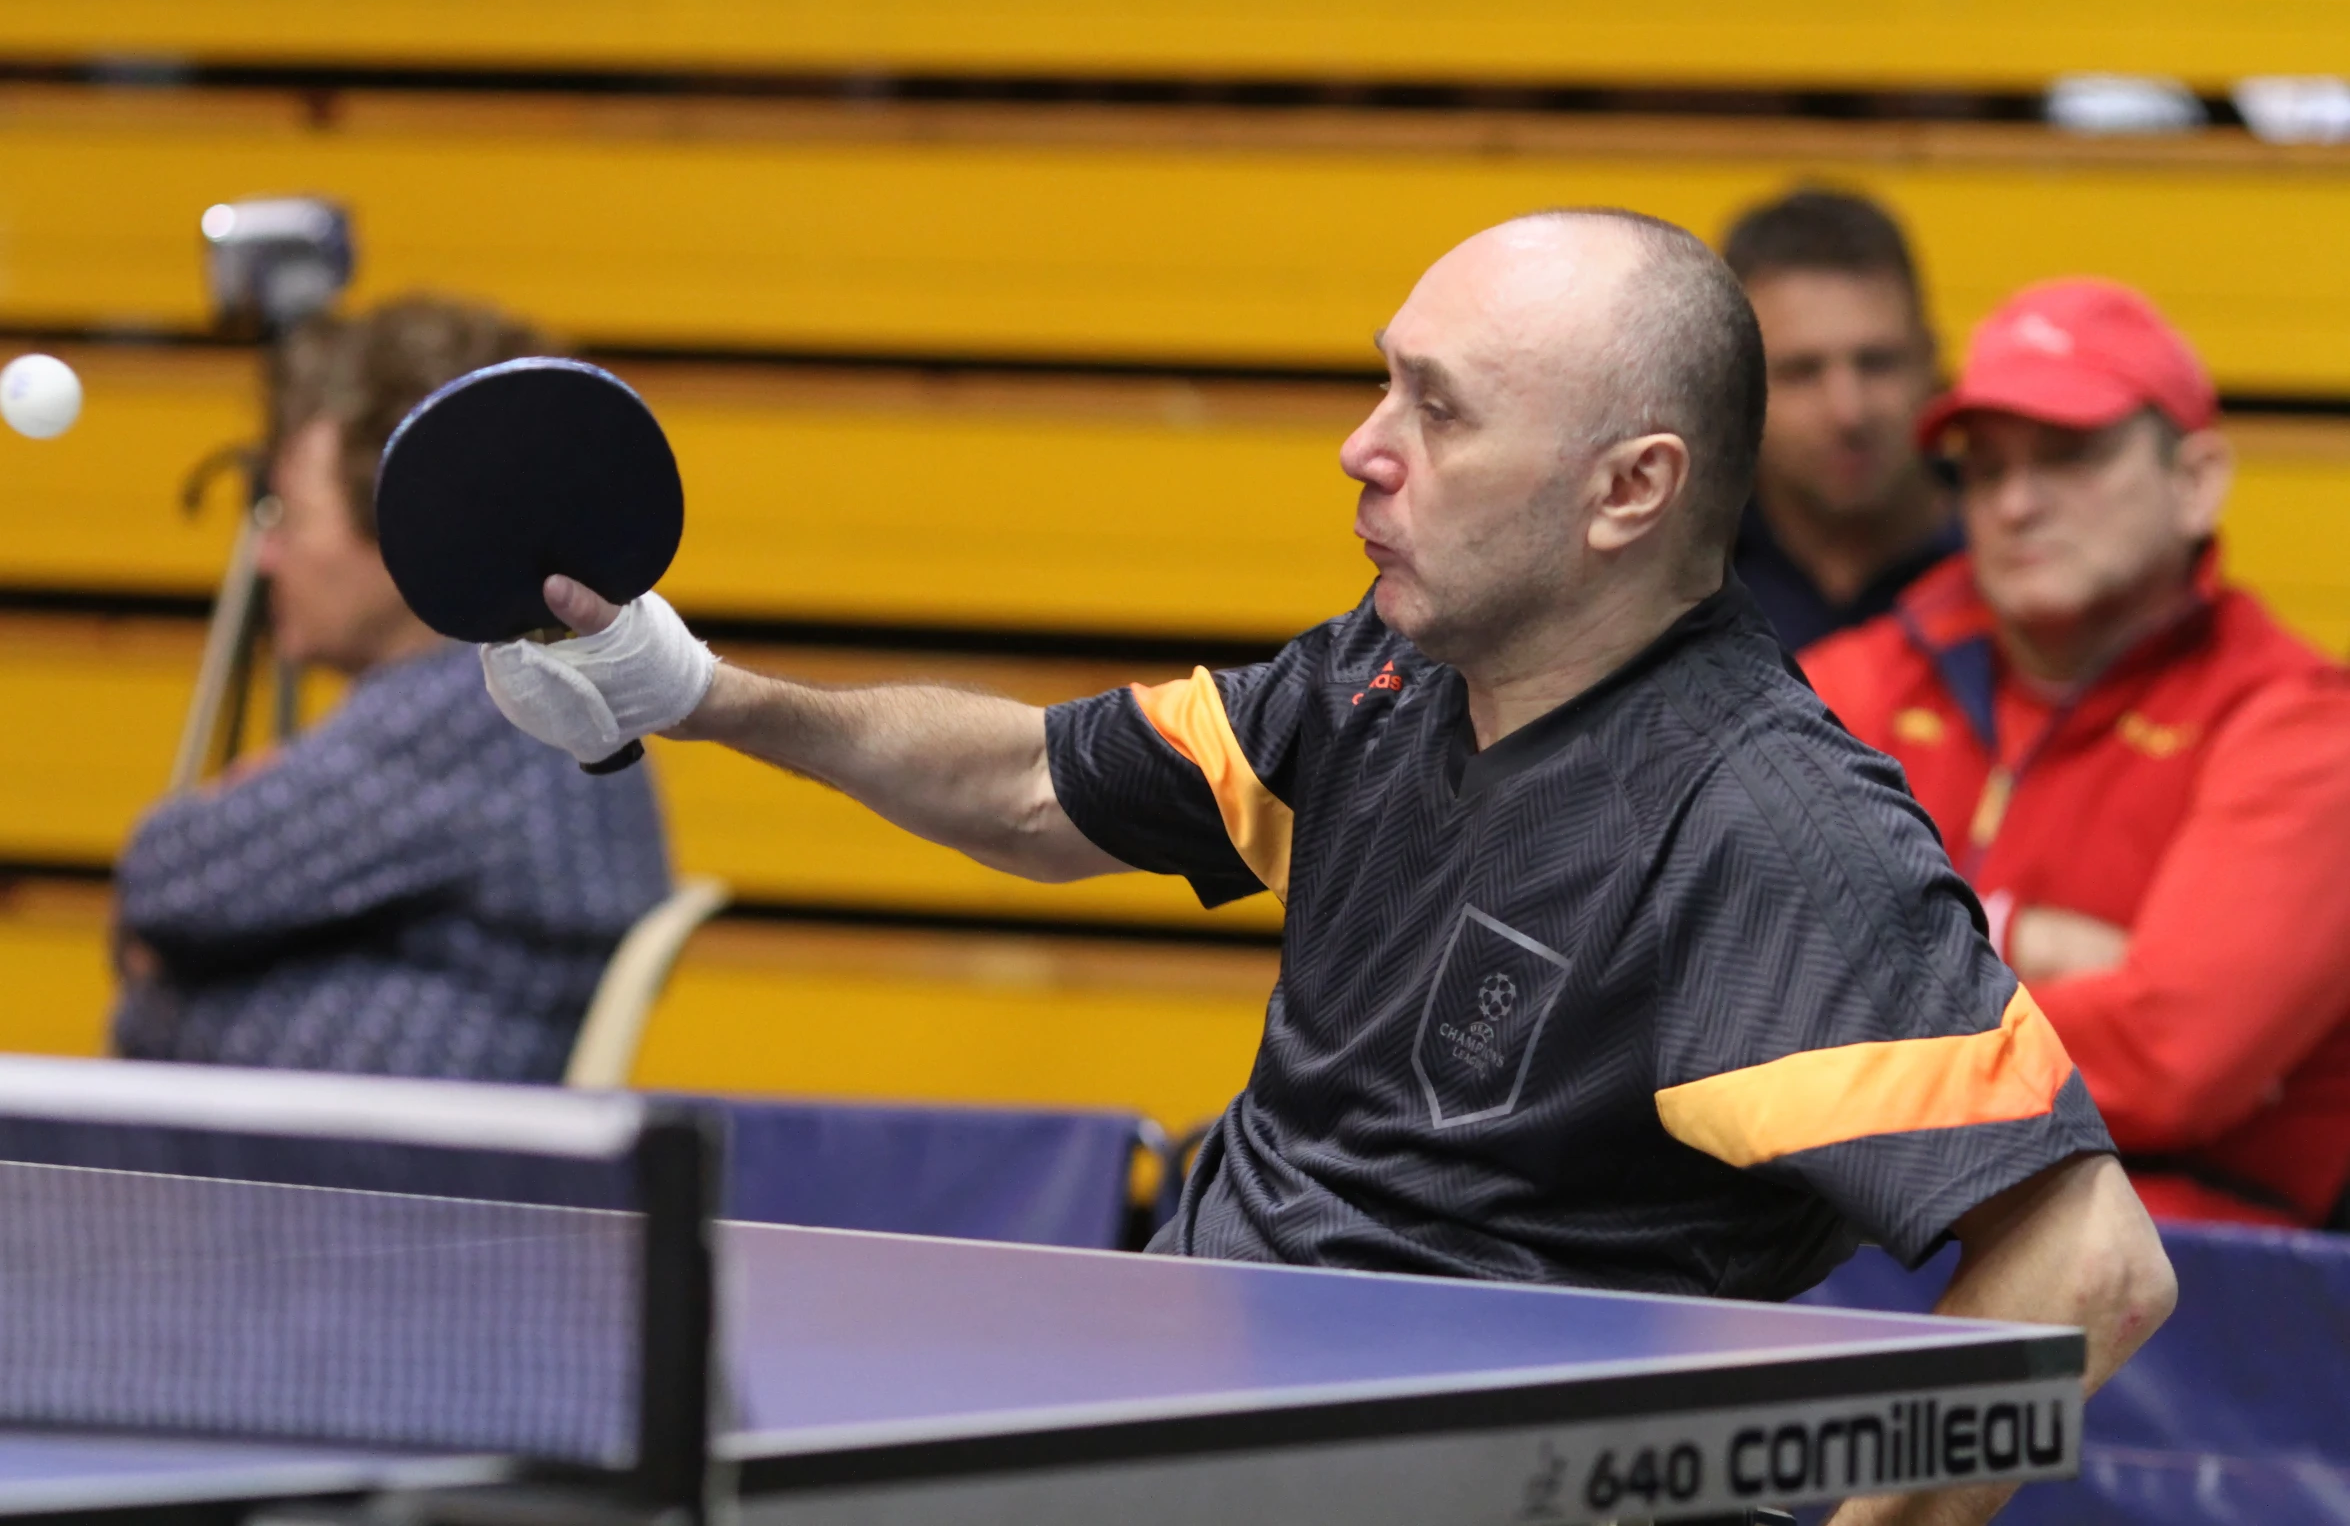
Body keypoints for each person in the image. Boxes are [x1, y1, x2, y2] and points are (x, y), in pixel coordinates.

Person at [480, 211, 2172, 1525]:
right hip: (1180, 1421)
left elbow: (2090, 1266)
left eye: (1435, 409)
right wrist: (700, 696)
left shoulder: (1759, 825)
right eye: (1387, 380)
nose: (1364, 444)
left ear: (1630, 489)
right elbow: (1030, 790)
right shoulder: (1389, 674)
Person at [1806, 279, 2350, 1232]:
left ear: (2197, 482)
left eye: (2069, 458)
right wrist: (2024, 939)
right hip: (1855, 1239)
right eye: (1985, 469)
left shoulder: (2304, 725)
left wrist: (1842, 1036)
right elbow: (1695, 957)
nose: (2016, 504)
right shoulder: (1857, 679)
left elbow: (2171, 1058)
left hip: (2187, 1288)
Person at [111, 296, 673, 1081]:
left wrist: (166, 976)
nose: (264, 558)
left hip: (378, 1192)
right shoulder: (525, 688)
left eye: (287, 516)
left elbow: (166, 879)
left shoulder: (488, 709)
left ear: (409, 526)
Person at [1723, 189, 1959, 651]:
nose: (1848, 412)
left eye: (1878, 363)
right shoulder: (1679, 579)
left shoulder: (2013, 565)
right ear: (1735, 388)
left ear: (1933, 368)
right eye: (1802, 372)